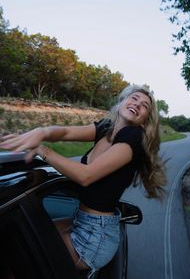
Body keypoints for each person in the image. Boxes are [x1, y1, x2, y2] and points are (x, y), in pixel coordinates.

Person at [0, 84, 166, 277]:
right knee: (14, 238)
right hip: (82, 220)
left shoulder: (134, 136)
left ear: (145, 121)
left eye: (144, 106)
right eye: (134, 98)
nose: (137, 105)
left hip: (96, 236)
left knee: (16, 256)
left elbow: (85, 176)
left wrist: (42, 149)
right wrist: (43, 131)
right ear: (122, 102)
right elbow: (65, 133)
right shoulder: (106, 128)